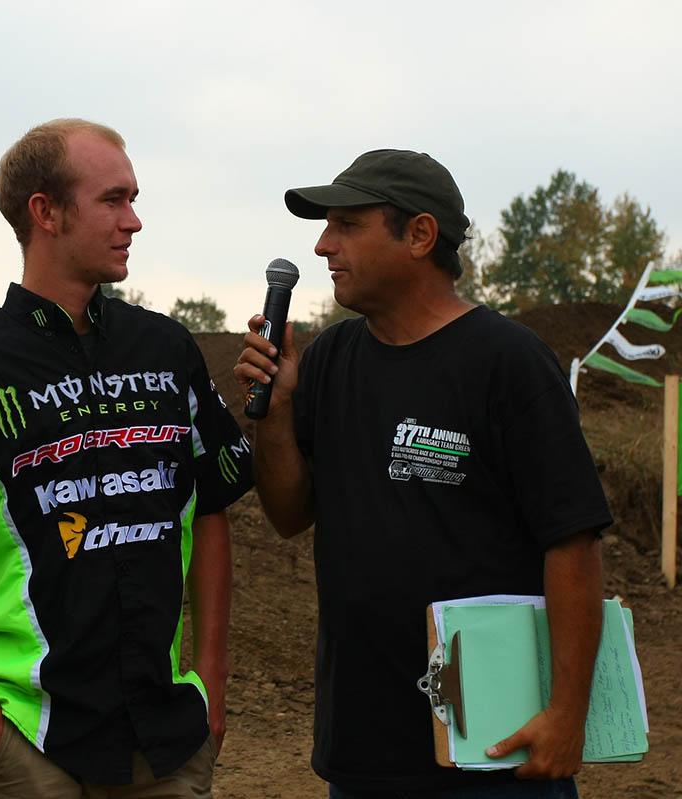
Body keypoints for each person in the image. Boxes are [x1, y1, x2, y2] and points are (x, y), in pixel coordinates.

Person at [0, 118, 254, 798]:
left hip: (167, 737)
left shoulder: (166, 350)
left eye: (134, 198)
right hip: (28, 740)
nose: (134, 221)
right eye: (113, 200)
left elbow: (212, 508)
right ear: (45, 212)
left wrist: (212, 682)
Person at [234, 149, 611, 798]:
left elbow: (573, 543)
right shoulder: (329, 360)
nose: (323, 245)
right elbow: (290, 514)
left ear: (419, 235)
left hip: (493, 747)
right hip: (362, 747)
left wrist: (567, 714)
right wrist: (278, 409)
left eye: (347, 225)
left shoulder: (507, 362)